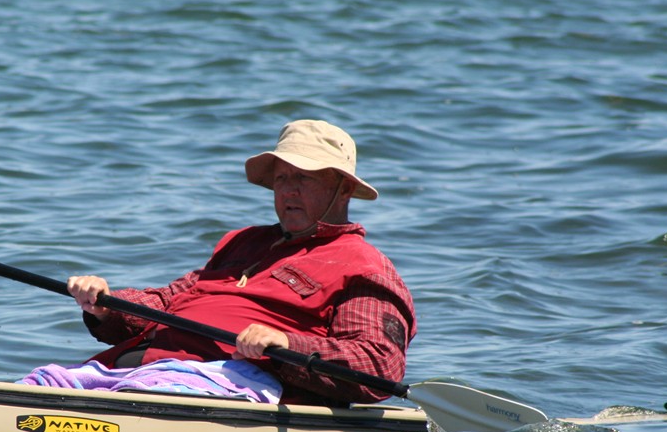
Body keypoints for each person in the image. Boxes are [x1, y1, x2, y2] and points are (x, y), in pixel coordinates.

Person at [64, 119, 416, 407]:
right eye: (281, 178)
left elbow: (377, 365)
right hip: (132, 367)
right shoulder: (243, 242)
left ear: (343, 189)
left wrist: (287, 345)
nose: (288, 190)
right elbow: (170, 300)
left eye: (304, 177)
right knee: (45, 381)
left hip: (216, 384)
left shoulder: (364, 265)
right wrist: (106, 304)